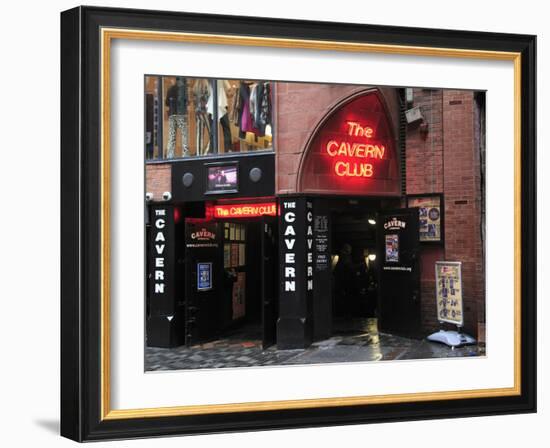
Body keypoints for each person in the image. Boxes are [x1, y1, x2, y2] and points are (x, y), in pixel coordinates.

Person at [165, 77, 189, 158]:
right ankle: (185, 155)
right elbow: (187, 102)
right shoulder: (184, 89)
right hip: (181, 114)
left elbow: (167, 103)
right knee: (184, 135)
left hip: (172, 114)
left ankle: (170, 155)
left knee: (172, 136)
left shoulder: (170, 89)